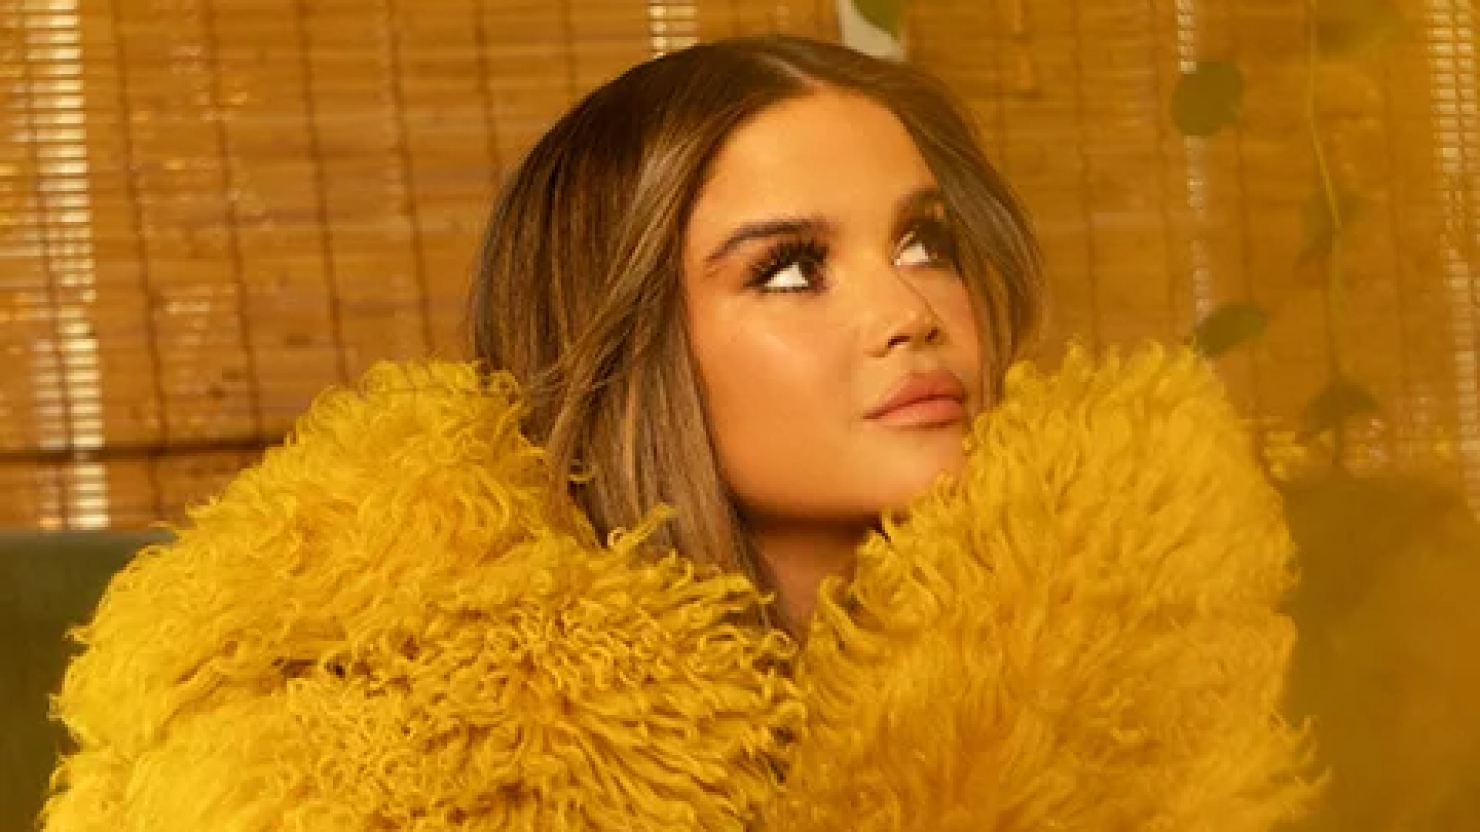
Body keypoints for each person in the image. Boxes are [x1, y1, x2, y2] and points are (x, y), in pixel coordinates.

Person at [43, 35, 1314, 831]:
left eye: (924, 240)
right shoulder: (405, 756)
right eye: (789, 267)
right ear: (630, 341)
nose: (908, 312)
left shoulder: (1138, 651)